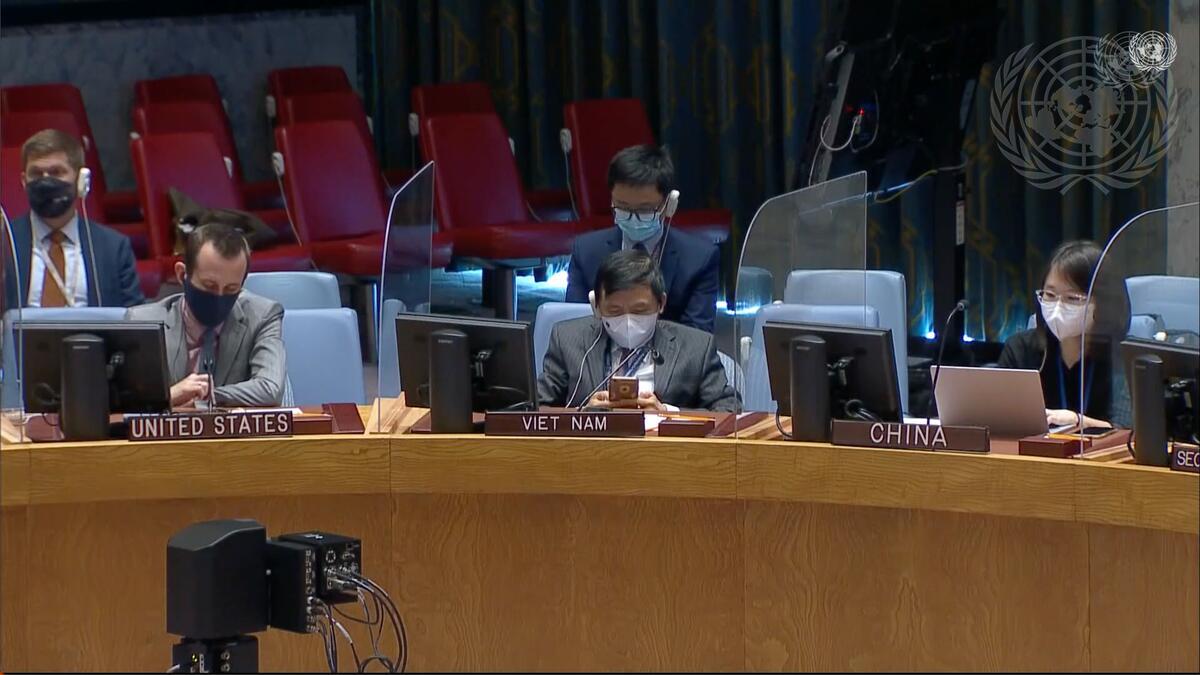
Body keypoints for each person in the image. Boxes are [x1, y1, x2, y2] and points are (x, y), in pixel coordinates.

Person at [539, 249, 738, 412]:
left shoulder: (697, 346)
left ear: (661, 303)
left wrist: (667, 413)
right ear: (596, 306)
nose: (628, 321)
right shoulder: (567, 339)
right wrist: (583, 415)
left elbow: (730, 410)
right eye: (615, 311)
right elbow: (535, 407)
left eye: (639, 311)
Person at [126, 223, 286, 408]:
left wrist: (206, 395)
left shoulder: (263, 316)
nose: (219, 297)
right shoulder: (143, 323)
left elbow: (270, 389)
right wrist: (171, 395)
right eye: (209, 286)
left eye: (231, 289)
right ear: (182, 275)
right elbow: (128, 402)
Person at [565, 145, 720, 333]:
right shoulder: (585, 251)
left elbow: (697, 334)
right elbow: (574, 327)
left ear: (669, 204)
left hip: (671, 351)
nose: (633, 218)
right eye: (622, 207)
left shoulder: (700, 258)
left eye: (644, 210)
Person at [2, 129, 143, 309]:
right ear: (24, 181)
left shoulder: (113, 247)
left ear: (80, 179)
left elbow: (135, 317)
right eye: (36, 174)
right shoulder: (4, 242)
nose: (46, 182)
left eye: (56, 172)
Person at [998, 239, 1127, 429]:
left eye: (1072, 298)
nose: (1057, 308)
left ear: (1103, 303)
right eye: (1050, 295)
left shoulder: (1123, 357)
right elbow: (997, 416)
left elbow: (1130, 430)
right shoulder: (1020, 348)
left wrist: (1079, 421)